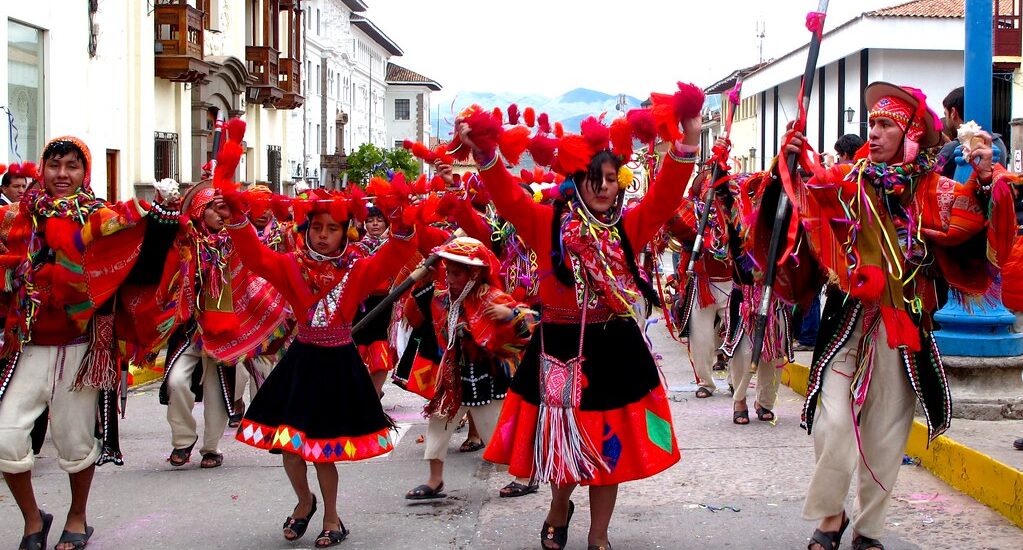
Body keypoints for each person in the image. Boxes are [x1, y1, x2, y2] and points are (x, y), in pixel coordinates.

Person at [775, 83, 1016, 550]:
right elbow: (809, 192)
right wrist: (793, 157)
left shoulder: (934, 190)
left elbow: (975, 223)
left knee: (886, 433)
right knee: (833, 423)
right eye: (873, 124)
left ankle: (869, 530)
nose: (876, 132)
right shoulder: (850, 179)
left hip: (901, 324)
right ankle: (831, 517)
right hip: (848, 321)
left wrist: (987, 178)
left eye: (886, 125)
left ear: (911, 133)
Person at [463, 105, 699, 549]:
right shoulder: (546, 224)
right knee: (563, 447)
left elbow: (665, 197)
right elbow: (509, 199)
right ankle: (558, 506)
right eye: (596, 178)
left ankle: (599, 534)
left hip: (614, 348)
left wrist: (687, 141)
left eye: (612, 178)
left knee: (608, 448)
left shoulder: (630, 226)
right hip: (559, 350)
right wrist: (486, 153)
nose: (605, 186)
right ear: (576, 181)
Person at [0, 136, 180, 550]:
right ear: (42, 169)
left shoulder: (104, 219)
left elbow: (143, 264)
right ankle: (33, 520)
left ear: (86, 172)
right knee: (7, 439)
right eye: (55, 165)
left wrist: (165, 220)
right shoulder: (14, 219)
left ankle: (77, 515)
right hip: (26, 346)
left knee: (76, 442)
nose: (62, 175)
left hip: (82, 348)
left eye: (72, 167)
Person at [222, 173, 418, 547]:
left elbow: (397, 253)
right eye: (316, 227)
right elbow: (253, 255)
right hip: (302, 363)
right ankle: (304, 502)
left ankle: (331, 516)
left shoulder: (359, 270)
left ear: (346, 233)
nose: (323, 235)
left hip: (337, 366)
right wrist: (236, 215)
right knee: (291, 449)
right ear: (306, 228)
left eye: (332, 228)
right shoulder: (290, 266)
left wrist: (401, 219)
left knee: (322, 452)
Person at [404, 236, 536, 500]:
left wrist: (509, 316)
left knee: (497, 431)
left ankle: (525, 476)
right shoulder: (444, 296)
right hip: (454, 375)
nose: (450, 278)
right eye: (448, 272)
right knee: (439, 423)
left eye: (456, 273)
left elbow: (530, 324)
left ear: (474, 273)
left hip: (487, 375)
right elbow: (419, 315)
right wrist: (424, 280)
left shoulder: (492, 296)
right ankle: (435, 480)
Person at [352, 205, 398, 397]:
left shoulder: (394, 246)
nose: (375, 224)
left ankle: (375, 391)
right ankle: (363, 391)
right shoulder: (356, 248)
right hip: (360, 305)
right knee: (359, 347)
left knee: (381, 347)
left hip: (385, 304)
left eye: (379, 220)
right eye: (370, 220)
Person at [938, 86, 1008, 178]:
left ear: (953, 112)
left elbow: (931, 175)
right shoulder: (999, 143)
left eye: (945, 114)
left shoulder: (953, 148)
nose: (945, 120)